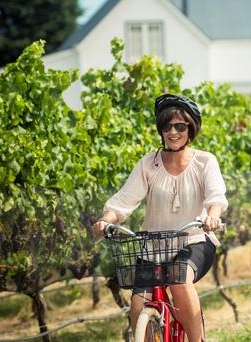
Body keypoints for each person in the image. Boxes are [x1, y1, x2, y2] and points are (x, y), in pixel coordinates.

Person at [92, 93, 228, 342]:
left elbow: (215, 196)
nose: (173, 132)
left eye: (180, 126)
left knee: (179, 282)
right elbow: (125, 200)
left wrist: (212, 216)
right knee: (137, 306)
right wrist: (107, 219)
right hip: (153, 247)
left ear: (191, 128)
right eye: (167, 126)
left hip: (194, 241)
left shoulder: (205, 161)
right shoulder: (148, 164)